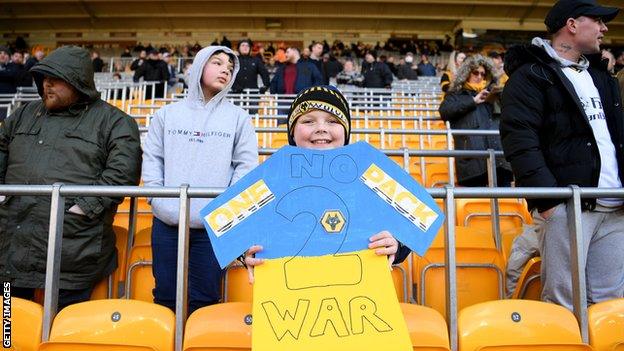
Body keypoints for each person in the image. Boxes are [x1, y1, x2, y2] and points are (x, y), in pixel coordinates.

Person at [500, 0, 624, 310]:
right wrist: (549, 202)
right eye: (597, 21)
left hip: (615, 204)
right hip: (569, 206)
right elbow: (519, 139)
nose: (604, 28)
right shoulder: (530, 76)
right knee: (563, 303)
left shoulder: (601, 77)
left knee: (610, 305)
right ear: (571, 24)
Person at [0, 46, 142, 309]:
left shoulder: (114, 121)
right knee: (8, 322)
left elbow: (123, 172)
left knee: (66, 324)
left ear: (78, 81)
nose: (46, 85)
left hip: (74, 248)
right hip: (12, 246)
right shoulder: (23, 114)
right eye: (43, 78)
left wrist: (84, 208)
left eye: (55, 79)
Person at [242, 85, 411, 282]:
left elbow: (410, 230)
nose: (321, 128)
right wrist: (246, 252)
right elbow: (234, 234)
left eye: (332, 121)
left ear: (345, 131)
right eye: (308, 121)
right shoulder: (270, 179)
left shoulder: (371, 178)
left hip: (358, 297)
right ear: (292, 132)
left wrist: (396, 245)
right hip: (285, 300)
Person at [142, 46, 258, 314]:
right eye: (217, 63)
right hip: (167, 222)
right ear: (198, 66)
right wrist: (157, 200)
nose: (225, 70)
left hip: (212, 228)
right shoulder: (166, 115)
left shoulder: (239, 118)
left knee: (205, 298)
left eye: (229, 67)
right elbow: (152, 160)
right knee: (165, 296)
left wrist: (223, 212)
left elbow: (246, 166)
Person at [439, 54, 513, 187]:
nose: (479, 77)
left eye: (483, 74)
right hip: (472, 162)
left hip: (499, 160)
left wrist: (501, 98)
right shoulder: (455, 94)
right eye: (476, 73)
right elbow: (444, 111)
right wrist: (473, 101)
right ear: (467, 73)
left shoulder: (493, 94)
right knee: (476, 206)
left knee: (505, 205)